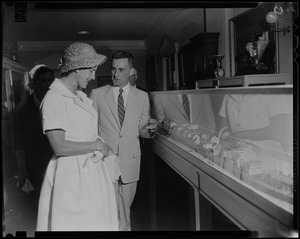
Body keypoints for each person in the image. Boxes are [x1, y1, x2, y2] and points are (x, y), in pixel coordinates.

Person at [36, 42, 119, 231]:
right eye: (90, 70)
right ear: (77, 68)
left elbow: (84, 133)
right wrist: (97, 145)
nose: (93, 76)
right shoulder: (54, 99)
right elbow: (59, 146)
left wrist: (100, 145)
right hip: (70, 176)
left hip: (89, 173)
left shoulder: (80, 96)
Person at [90, 50, 157, 231]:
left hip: (130, 162)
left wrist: (150, 130)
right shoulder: (97, 94)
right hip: (104, 162)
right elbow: (90, 130)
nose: (115, 74)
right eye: (113, 69)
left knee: (125, 210)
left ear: (131, 71)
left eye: (121, 70)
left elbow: (142, 131)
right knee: (108, 212)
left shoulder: (142, 97)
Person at [14, 65, 54, 211]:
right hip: (34, 166)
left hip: (55, 162)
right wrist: (22, 169)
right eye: (44, 81)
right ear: (34, 83)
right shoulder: (23, 107)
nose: (48, 84)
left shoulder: (57, 102)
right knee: (38, 206)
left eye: (50, 80)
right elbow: (19, 143)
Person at [152, 92, 217, 136]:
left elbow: (210, 121)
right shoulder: (160, 96)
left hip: (202, 146)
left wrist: (210, 144)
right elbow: (159, 126)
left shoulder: (201, 92)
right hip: (177, 147)